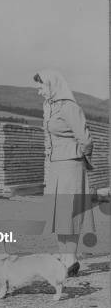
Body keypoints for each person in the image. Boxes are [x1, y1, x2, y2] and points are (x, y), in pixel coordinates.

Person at [34, 69, 94, 277]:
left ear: (52, 85)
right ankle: (63, 255)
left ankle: (71, 258)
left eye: (41, 87)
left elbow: (86, 140)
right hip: (56, 166)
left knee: (69, 212)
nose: (39, 91)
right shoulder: (48, 106)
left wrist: (76, 155)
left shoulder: (70, 107)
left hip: (71, 165)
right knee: (58, 211)